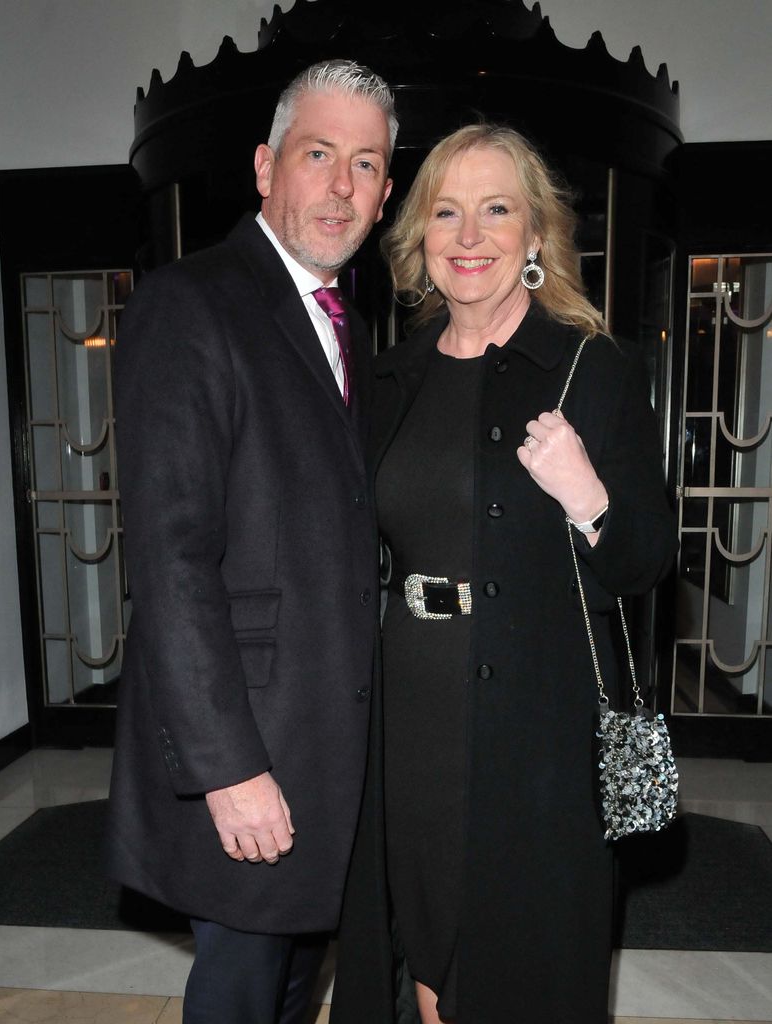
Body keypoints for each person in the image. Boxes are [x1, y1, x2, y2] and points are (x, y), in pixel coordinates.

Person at [330, 124, 678, 1024]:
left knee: (518, 964)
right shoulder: (387, 379)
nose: (469, 235)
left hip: (536, 734)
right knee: (421, 935)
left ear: (535, 237)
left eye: (496, 211)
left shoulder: (591, 369)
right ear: (419, 239)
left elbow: (646, 561)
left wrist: (588, 494)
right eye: (446, 212)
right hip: (403, 717)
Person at [106, 60, 396, 1024]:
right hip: (250, 747)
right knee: (238, 997)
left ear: (387, 191)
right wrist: (228, 767)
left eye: (366, 164)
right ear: (268, 167)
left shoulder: (350, 324)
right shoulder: (193, 304)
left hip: (328, 739)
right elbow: (170, 555)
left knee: (286, 993)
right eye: (320, 155)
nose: (342, 187)